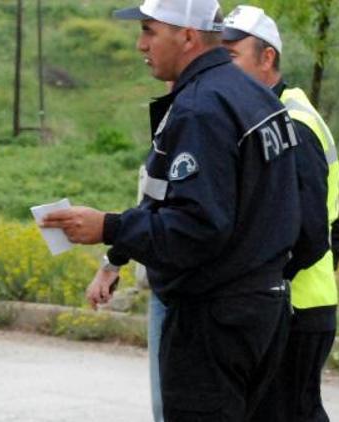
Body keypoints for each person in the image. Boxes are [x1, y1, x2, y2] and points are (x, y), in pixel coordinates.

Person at [42, 0, 306, 419]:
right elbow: (296, 214)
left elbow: (196, 227)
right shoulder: (258, 96)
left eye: (149, 30)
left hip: (215, 319)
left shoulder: (202, 108)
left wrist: (109, 227)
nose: (139, 44)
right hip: (264, 311)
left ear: (187, 35)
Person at [223, 6, 339, 421]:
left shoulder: (291, 123)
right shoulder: (270, 115)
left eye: (230, 57)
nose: (219, 68)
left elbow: (313, 231)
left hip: (294, 311)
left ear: (267, 59)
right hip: (296, 305)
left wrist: (272, 283)